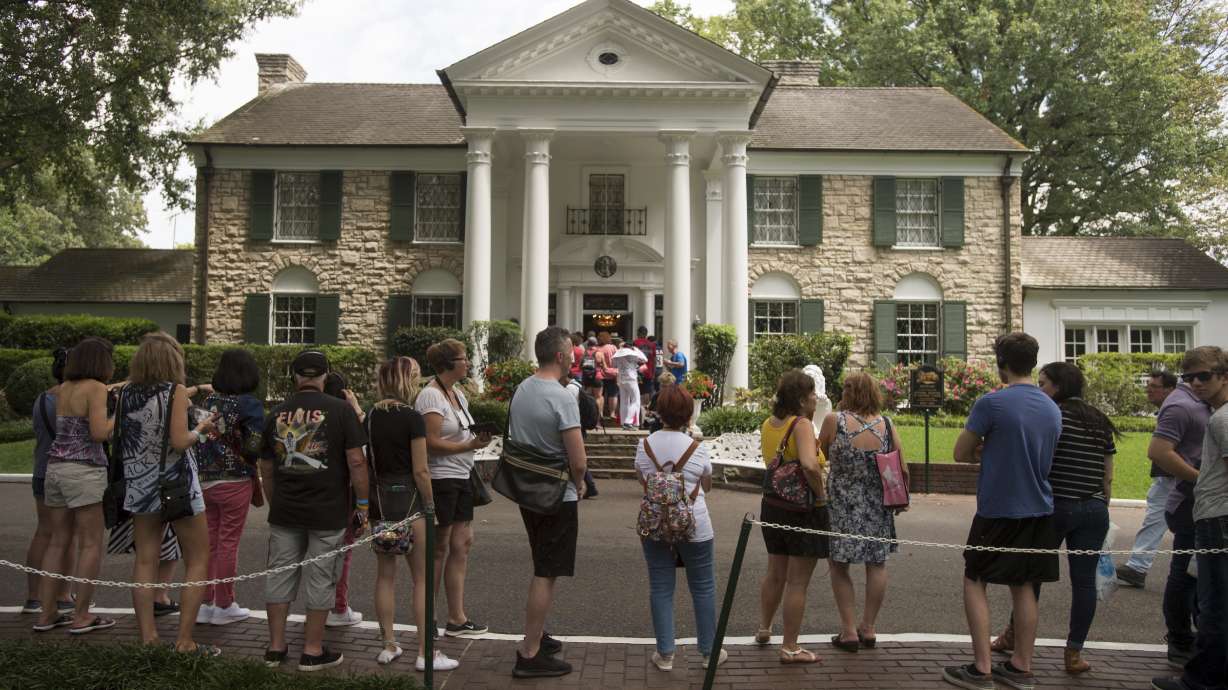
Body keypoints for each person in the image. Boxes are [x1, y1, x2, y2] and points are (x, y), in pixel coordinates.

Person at [943, 332, 1062, 690]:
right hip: (1040, 507)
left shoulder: (991, 404)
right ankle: (1021, 664)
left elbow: (960, 452)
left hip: (999, 509)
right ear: (1033, 362)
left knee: (974, 579)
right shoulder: (1050, 407)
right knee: (1024, 585)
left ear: (1002, 364)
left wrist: (985, 449)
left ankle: (982, 668)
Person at [992, 362, 1119, 675]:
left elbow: (1038, 461)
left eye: (1044, 383)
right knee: (1084, 583)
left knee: (1029, 577)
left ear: (1059, 387)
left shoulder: (1050, 416)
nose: (1040, 389)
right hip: (1093, 509)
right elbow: (1108, 476)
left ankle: (1016, 641)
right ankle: (1074, 653)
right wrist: (1102, 502)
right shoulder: (1100, 420)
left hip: (1053, 507)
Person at [259, 350, 369, 672]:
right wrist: (362, 505)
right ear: (325, 375)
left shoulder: (276, 412)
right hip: (328, 510)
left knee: (279, 574)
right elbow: (357, 462)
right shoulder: (341, 411)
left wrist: (274, 499)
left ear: (295, 376)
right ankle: (312, 650)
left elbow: (266, 466)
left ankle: (275, 647)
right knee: (321, 580)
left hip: (285, 510)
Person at [114, 332, 217, 653]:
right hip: (177, 486)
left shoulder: (126, 392)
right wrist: (201, 429)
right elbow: (179, 441)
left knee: (145, 560)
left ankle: (149, 638)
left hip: (139, 486)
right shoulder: (173, 393)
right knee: (198, 557)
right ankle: (184, 641)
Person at [366, 357, 460, 671]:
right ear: (408, 380)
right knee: (421, 579)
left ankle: (388, 643)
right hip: (411, 503)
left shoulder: (370, 416)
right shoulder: (412, 417)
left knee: (385, 576)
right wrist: (431, 506)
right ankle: (425, 652)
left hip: (380, 501)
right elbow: (421, 470)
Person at [509, 326, 588, 679]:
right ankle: (529, 652)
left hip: (528, 490)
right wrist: (581, 481)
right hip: (557, 493)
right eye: (570, 351)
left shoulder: (523, 388)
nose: (574, 356)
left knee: (541, 559)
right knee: (546, 571)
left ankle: (537, 634)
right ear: (559, 355)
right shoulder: (561, 396)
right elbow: (579, 458)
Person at [635, 384, 725, 671]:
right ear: (689, 414)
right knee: (703, 587)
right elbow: (707, 486)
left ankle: (665, 654)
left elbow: (644, 482)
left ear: (659, 413)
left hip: (655, 524)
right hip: (695, 525)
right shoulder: (697, 449)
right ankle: (709, 652)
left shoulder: (644, 446)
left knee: (660, 588)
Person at [1153, 347, 1228, 690]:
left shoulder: (1222, 418)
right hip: (1209, 515)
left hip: (1218, 520)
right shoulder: (1212, 412)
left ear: (1223, 375)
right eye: (1188, 377)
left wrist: (1202, 483)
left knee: (1213, 604)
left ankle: (1201, 680)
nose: (1196, 383)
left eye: (1204, 376)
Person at [819, 372, 905, 654]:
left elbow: (820, 455)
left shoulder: (835, 421)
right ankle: (868, 628)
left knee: (839, 564)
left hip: (842, 504)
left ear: (850, 392)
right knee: (876, 564)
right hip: (877, 505)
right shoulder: (887, 425)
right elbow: (902, 468)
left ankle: (848, 630)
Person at [33, 338, 114, 635]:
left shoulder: (64, 388)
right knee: (90, 543)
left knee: (58, 541)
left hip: (55, 467)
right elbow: (98, 433)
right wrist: (117, 416)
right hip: (84, 470)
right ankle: (81, 615)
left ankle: (47, 612)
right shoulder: (96, 388)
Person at [416, 338, 491, 638]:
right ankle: (429, 618)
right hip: (441, 478)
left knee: (462, 545)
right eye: (463, 358)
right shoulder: (431, 397)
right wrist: (469, 445)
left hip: (462, 476)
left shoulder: (457, 394)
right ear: (449, 364)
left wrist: (476, 441)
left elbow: (460, 434)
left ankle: (457, 618)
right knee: (439, 548)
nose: (468, 363)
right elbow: (429, 443)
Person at [755, 369, 829, 665]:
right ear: (800, 399)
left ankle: (764, 628)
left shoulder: (768, 424)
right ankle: (790, 646)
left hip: (773, 505)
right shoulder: (802, 425)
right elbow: (810, 466)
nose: (816, 399)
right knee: (797, 582)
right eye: (812, 394)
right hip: (800, 509)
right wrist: (821, 496)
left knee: (775, 571)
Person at [194, 348, 265, 626]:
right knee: (228, 543)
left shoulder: (208, 400)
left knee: (209, 542)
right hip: (235, 478)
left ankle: (205, 601)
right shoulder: (249, 405)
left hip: (204, 479)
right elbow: (254, 443)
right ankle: (225, 603)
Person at [23, 348, 74, 615]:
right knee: (68, 535)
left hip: (42, 470)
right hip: (66, 472)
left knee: (44, 532)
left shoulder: (42, 398)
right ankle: (64, 594)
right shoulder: (75, 398)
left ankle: (33, 596)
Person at [1118, 370, 1179, 588]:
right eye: (1148, 386)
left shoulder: (1174, 409)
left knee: (1158, 518)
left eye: (1155, 386)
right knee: (1157, 517)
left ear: (1170, 389)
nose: (1149, 390)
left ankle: (1138, 566)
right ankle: (1137, 566)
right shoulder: (1173, 408)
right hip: (1172, 475)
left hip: (1174, 476)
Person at [322, 371, 364, 628]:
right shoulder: (345, 416)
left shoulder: (312, 414)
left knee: (318, 554)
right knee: (342, 553)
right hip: (343, 492)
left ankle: (319, 606)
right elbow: (360, 456)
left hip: (313, 493)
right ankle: (338, 607)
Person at [560, 368, 600, 499]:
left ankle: (589, 486)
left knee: (576, 457)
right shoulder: (577, 385)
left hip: (576, 426)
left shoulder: (570, 389)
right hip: (579, 424)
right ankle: (590, 486)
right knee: (577, 456)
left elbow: (568, 408)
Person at [613, 339, 647, 430]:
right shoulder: (633, 353)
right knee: (636, 400)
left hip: (621, 378)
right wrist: (635, 349)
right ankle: (628, 422)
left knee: (624, 401)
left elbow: (614, 365)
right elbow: (645, 359)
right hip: (631, 378)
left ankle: (624, 422)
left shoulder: (618, 354)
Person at [633, 326, 658, 421]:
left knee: (637, 394)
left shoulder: (635, 343)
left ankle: (639, 417)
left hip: (638, 372)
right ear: (646, 334)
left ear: (638, 333)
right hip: (649, 372)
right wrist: (654, 372)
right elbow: (655, 360)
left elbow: (633, 358)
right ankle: (645, 418)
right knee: (646, 394)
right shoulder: (652, 345)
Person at [582, 337, 604, 425]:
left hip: (587, 378)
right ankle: (597, 421)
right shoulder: (599, 353)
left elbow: (581, 366)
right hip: (597, 377)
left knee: (587, 398)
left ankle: (588, 419)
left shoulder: (585, 353)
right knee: (598, 397)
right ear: (596, 344)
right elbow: (605, 367)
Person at [597, 331, 619, 419]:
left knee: (600, 395)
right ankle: (612, 413)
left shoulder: (598, 349)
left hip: (601, 374)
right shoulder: (613, 347)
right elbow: (618, 359)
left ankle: (601, 413)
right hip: (613, 373)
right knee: (613, 395)